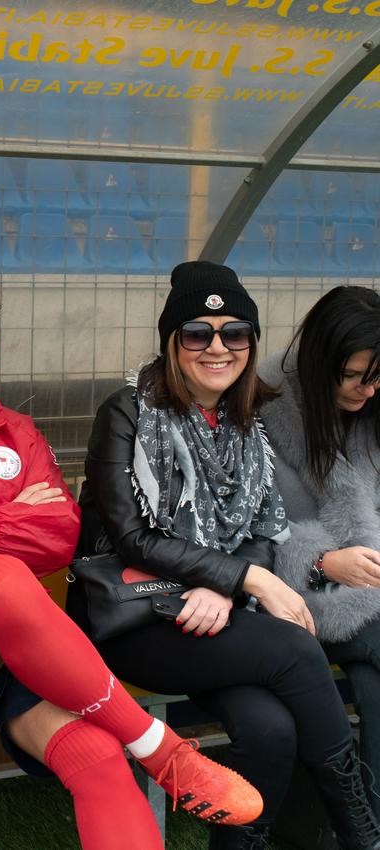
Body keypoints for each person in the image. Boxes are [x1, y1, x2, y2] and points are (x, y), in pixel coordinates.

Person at [0, 268, 264, 850]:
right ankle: (159, 748)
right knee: (0, 577)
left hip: (15, 641)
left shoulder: (18, 432)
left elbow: (60, 536)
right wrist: (6, 519)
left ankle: (135, 749)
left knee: (99, 758)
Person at [73, 261, 380, 850]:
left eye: (234, 333)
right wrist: (248, 580)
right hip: (137, 616)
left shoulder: (245, 419)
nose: (218, 347)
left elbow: (266, 529)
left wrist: (225, 584)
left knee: (270, 729)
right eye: (198, 333)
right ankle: (360, 832)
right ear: (172, 341)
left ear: (250, 342)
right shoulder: (128, 411)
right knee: (296, 648)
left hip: (213, 613)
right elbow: (134, 537)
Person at [259, 285, 380, 818]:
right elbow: (245, 527)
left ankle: (367, 825)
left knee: (374, 685)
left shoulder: (373, 408)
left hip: (369, 594)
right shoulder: (261, 406)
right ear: (318, 360)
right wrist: (321, 563)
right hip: (294, 600)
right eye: (353, 375)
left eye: (377, 376)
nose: (368, 389)